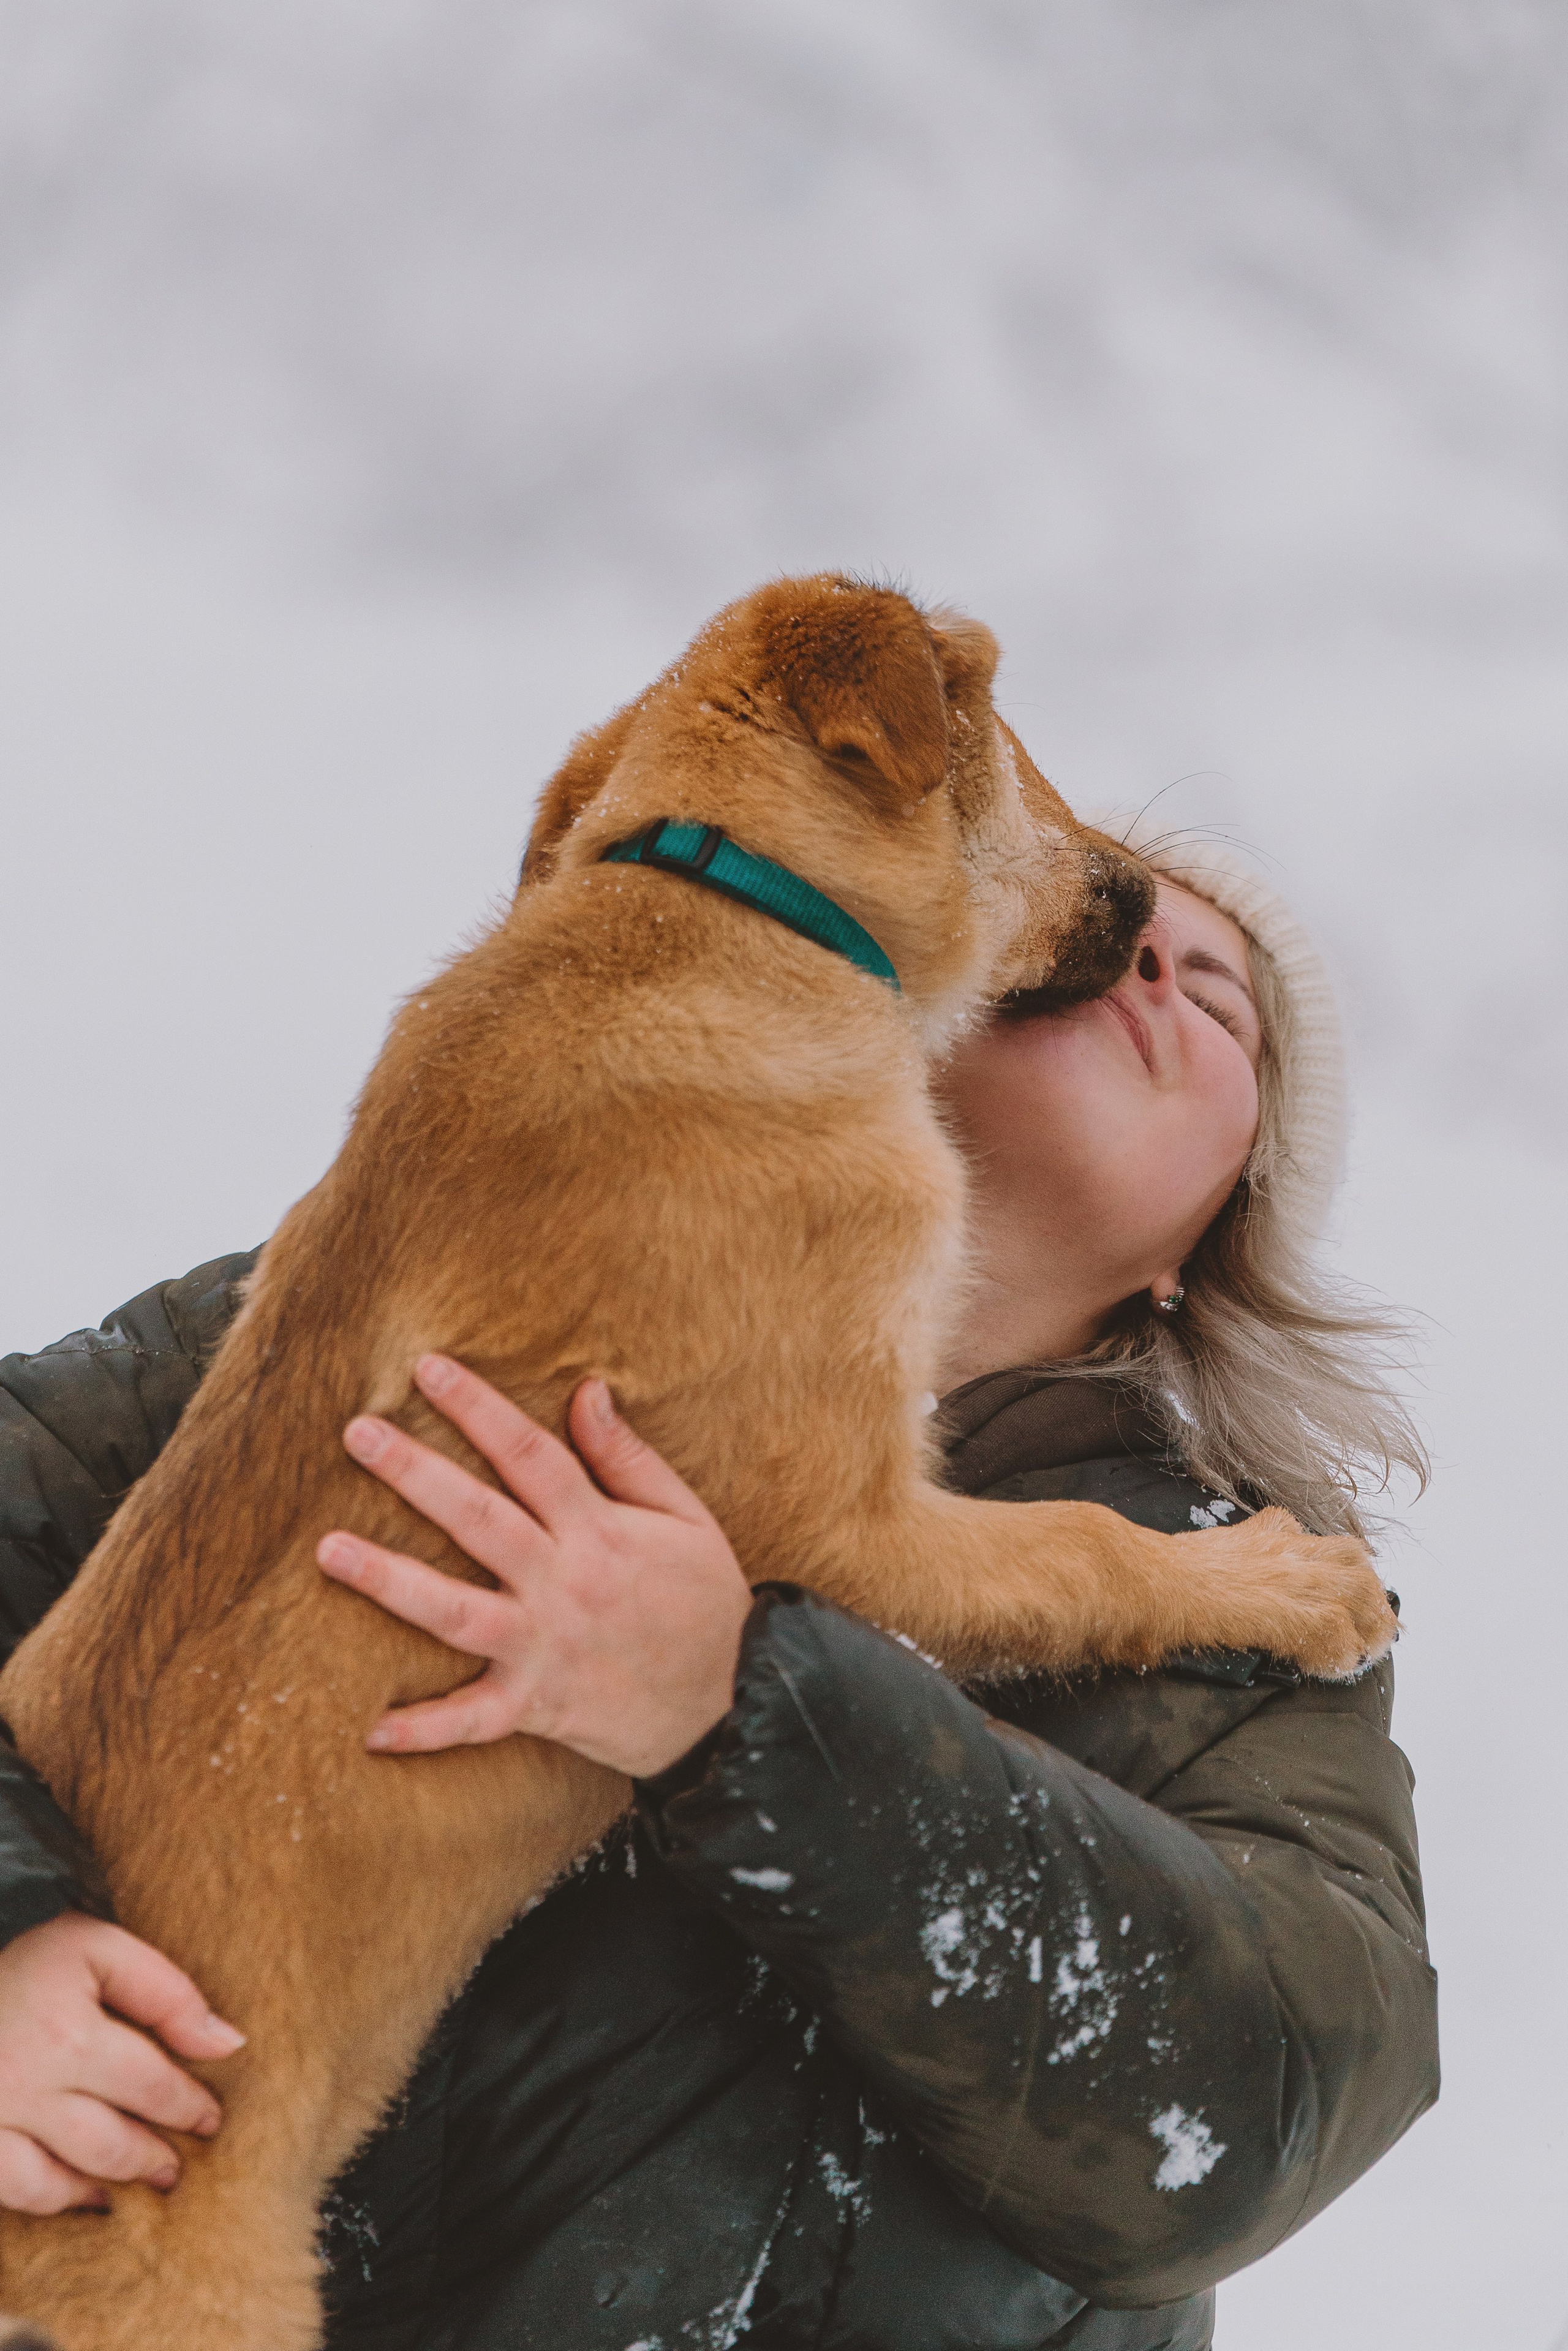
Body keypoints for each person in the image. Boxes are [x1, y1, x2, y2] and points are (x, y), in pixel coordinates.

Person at [0, 833, 1438, 2350]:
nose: (1155, 967)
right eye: (1113, 931)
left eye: (1219, 1002)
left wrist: (744, 1701)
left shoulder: (1254, 1612)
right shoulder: (423, 1279)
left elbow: (1246, 2104)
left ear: (1205, 1242)